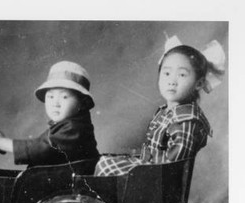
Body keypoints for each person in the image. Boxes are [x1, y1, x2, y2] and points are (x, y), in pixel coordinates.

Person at [95, 41, 224, 176]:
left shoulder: (186, 120)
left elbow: (174, 164)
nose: (172, 81)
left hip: (162, 178)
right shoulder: (166, 112)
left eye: (182, 75)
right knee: (103, 161)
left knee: (105, 166)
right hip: (153, 169)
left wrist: (142, 162)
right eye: (167, 73)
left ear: (199, 84)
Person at [0, 61, 99, 167]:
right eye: (51, 96)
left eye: (64, 97)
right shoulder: (66, 126)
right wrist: (1, 141)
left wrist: (0, 143)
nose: (55, 103)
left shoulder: (75, 128)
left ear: (82, 103)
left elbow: (41, 149)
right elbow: (40, 146)